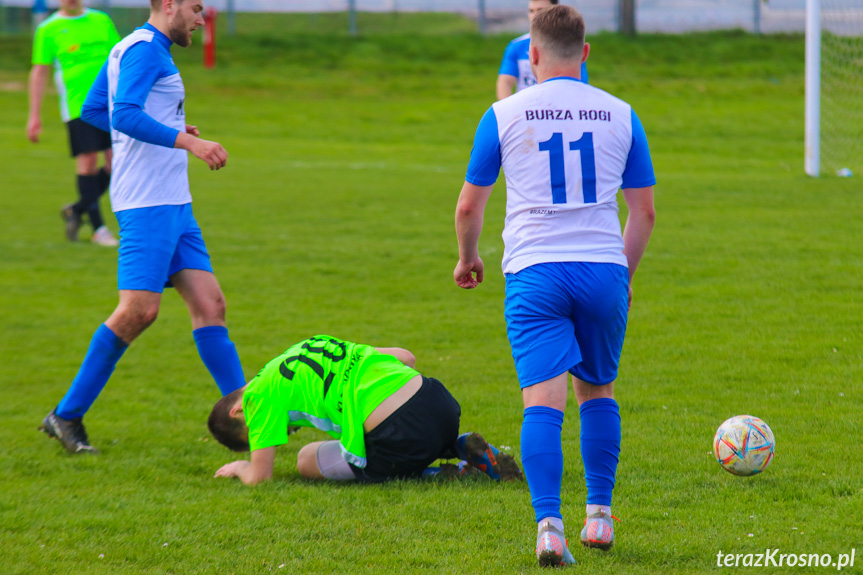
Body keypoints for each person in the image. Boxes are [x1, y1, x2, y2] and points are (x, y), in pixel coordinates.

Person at [454, 5, 656, 567]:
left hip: (535, 272)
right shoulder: (622, 113)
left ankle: (549, 528)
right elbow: (644, 214)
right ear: (585, 52)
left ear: (532, 55)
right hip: (600, 270)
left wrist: (469, 259)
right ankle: (599, 516)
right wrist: (623, 274)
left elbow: (469, 204)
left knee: (542, 403)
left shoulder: (503, 113)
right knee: (597, 390)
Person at [39, 0, 245, 455]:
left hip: (174, 202)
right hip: (147, 203)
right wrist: (188, 139)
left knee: (211, 306)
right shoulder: (146, 50)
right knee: (138, 311)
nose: (200, 18)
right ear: (168, 5)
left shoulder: (131, 45)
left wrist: (168, 125)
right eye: (194, 8)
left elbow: (95, 109)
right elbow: (122, 114)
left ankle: (250, 416)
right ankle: (66, 415)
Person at [209, 335, 522, 485]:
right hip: (438, 402)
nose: (277, 439)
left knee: (306, 459)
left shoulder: (258, 399)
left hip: (401, 432)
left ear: (239, 411)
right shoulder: (301, 350)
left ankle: (446, 473)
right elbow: (407, 357)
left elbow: (260, 477)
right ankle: (456, 444)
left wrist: (241, 467)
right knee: (385, 432)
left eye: (259, 439)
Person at [27, 0, 120, 246]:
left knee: (116, 161)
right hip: (79, 107)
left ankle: (77, 209)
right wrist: (34, 115)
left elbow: (120, 58)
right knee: (88, 161)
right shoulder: (49, 28)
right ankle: (99, 228)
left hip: (111, 104)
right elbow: (40, 71)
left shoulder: (101, 20)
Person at [496, 0, 588, 100]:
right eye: (531, 11)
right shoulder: (517, 46)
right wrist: (509, 112)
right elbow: (504, 83)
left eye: (540, 10)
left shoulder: (567, 45)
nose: (534, 15)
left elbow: (580, 85)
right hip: (526, 109)